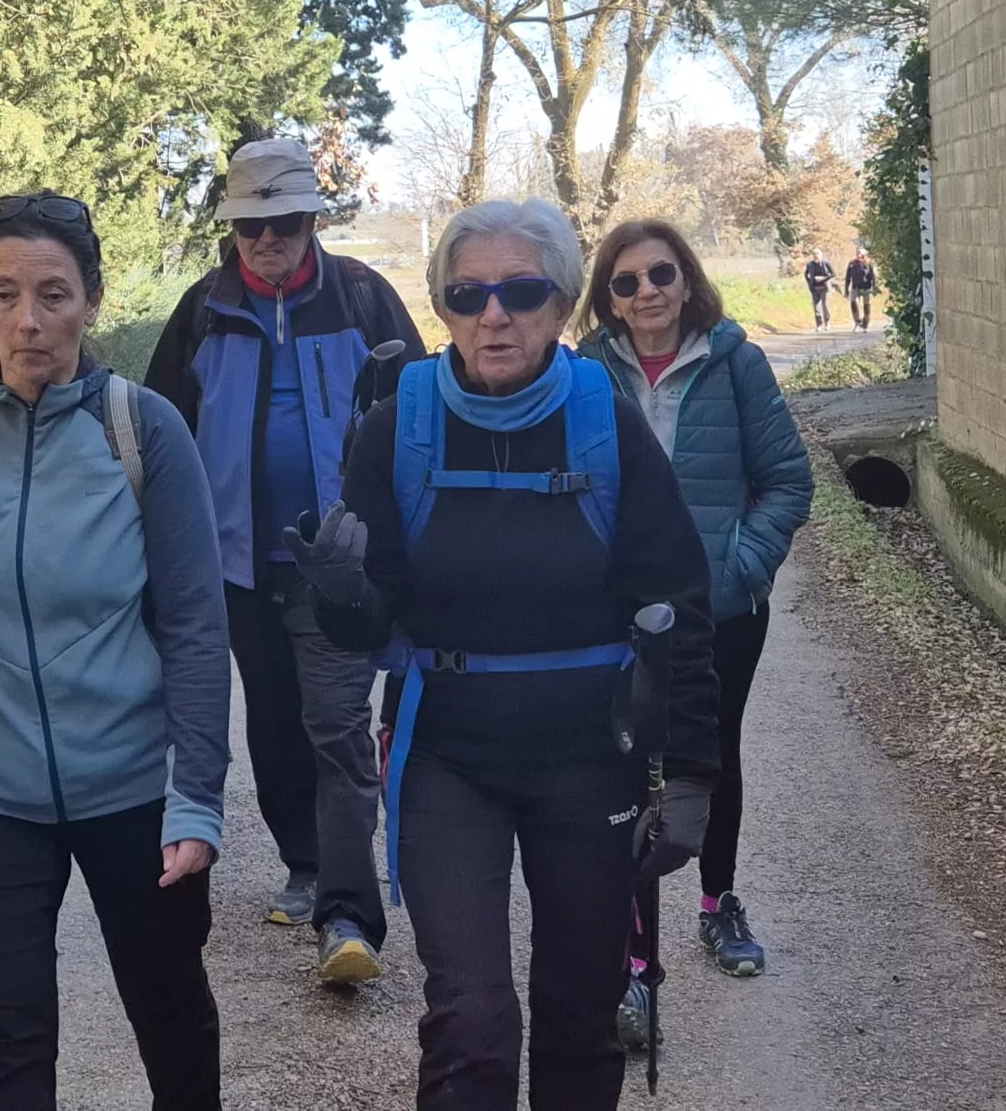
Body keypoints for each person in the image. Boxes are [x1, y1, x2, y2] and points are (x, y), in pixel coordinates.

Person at [290, 199, 718, 1111]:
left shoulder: (606, 422)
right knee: (470, 1018)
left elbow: (677, 606)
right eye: (467, 295)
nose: (493, 316)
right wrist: (340, 593)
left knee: (583, 1011)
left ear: (560, 304)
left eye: (520, 293)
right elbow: (368, 626)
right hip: (448, 758)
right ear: (442, 306)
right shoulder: (397, 425)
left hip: (592, 758)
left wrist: (688, 772)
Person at [0, 191, 231, 1111]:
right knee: (2, 1044)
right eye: (6, 294)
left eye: (54, 295)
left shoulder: (144, 430)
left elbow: (195, 623)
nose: (29, 320)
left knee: (171, 1018)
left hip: (132, 790)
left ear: (92, 301)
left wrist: (196, 794)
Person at [145, 137, 424, 986]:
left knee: (335, 726)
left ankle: (347, 909)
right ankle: (305, 863)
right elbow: (155, 432)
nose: (268, 239)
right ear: (232, 228)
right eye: (252, 225)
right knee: (271, 721)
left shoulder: (364, 299)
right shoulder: (202, 309)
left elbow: (420, 420)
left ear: (312, 220)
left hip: (338, 563)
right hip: (236, 563)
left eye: (287, 221)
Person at [578, 221, 812, 1005]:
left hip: (718, 610)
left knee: (710, 754)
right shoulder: (585, 373)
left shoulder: (735, 362)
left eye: (661, 274)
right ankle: (628, 937)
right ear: (609, 299)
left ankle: (718, 904)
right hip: (615, 611)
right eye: (627, 281)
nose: (647, 291)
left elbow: (788, 480)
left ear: (687, 279)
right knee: (617, 763)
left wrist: (738, 566)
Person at [844, 246, 879, 332]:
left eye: (860, 252)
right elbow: (848, 277)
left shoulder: (869, 263)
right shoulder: (852, 263)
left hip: (867, 287)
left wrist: (875, 287)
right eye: (857, 252)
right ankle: (857, 322)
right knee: (853, 303)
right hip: (855, 286)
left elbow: (873, 276)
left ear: (864, 253)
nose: (858, 254)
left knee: (867, 306)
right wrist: (846, 290)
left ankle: (865, 325)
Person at [803, 248, 835, 332]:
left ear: (821, 256)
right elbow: (806, 274)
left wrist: (823, 278)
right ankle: (819, 324)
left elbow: (833, 274)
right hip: (814, 288)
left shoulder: (826, 263)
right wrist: (810, 281)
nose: (816, 257)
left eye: (817, 255)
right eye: (814, 256)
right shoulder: (810, 264)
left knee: (825, 306)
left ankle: (827, 323)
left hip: (825, 287)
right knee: (816, 307)